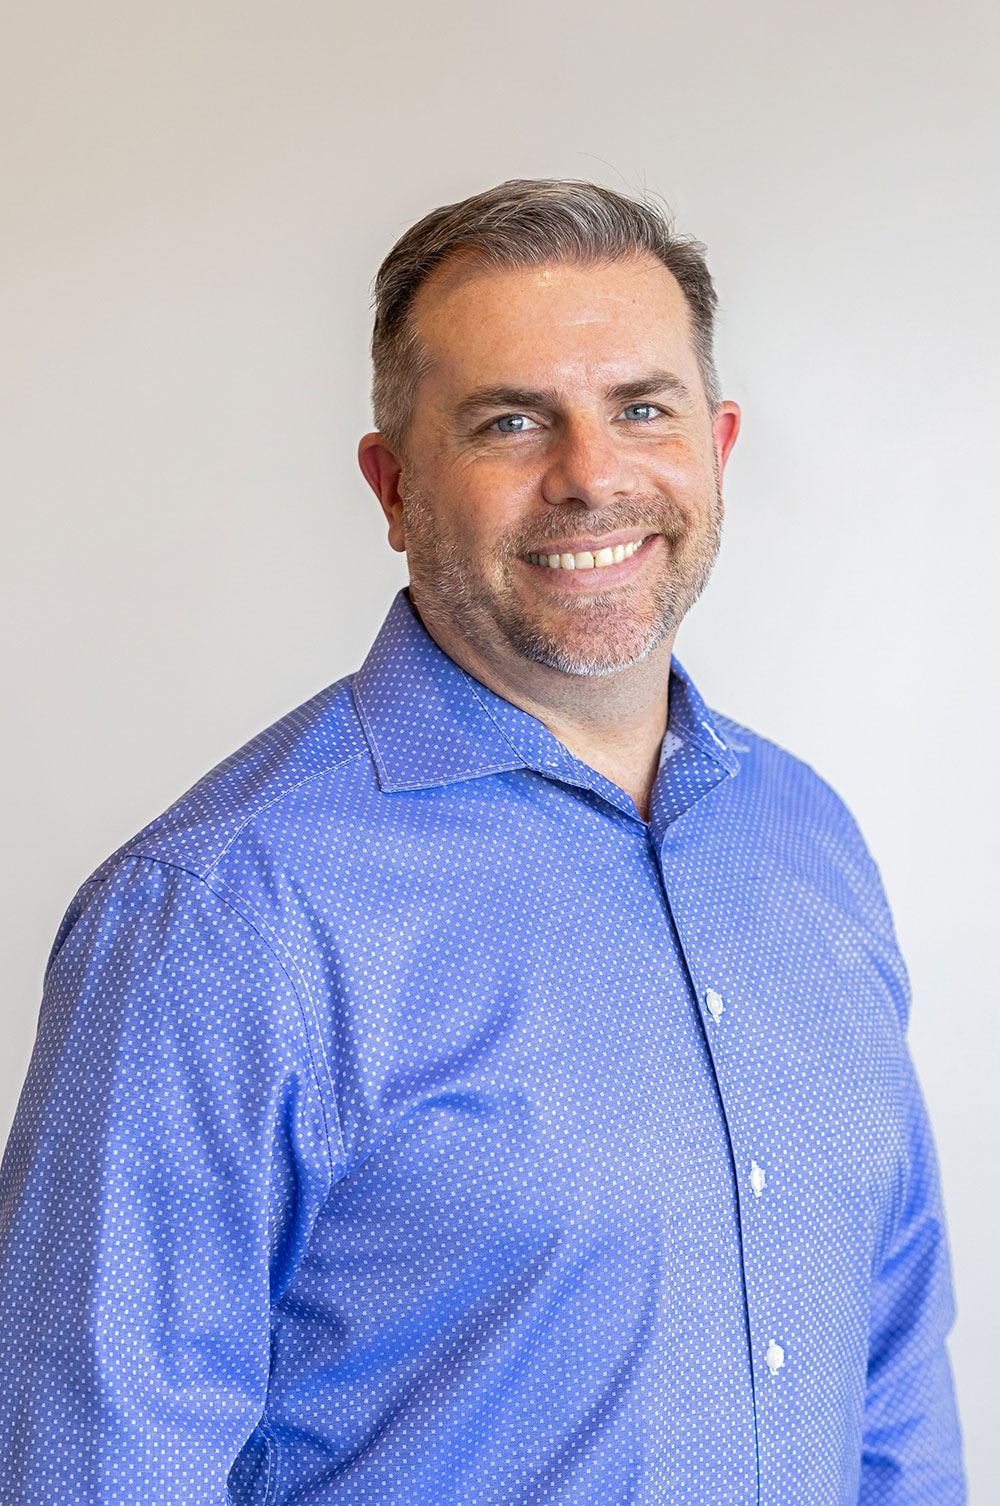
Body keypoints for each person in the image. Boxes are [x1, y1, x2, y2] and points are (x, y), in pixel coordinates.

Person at [0, 179, 964, 1504]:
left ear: (719, 446)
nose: (593, 475)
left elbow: (894, 1377)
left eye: (643, 408)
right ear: (394, 487)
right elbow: (98, 1468)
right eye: (511, 421)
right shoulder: (217, 915)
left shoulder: (805, 840)